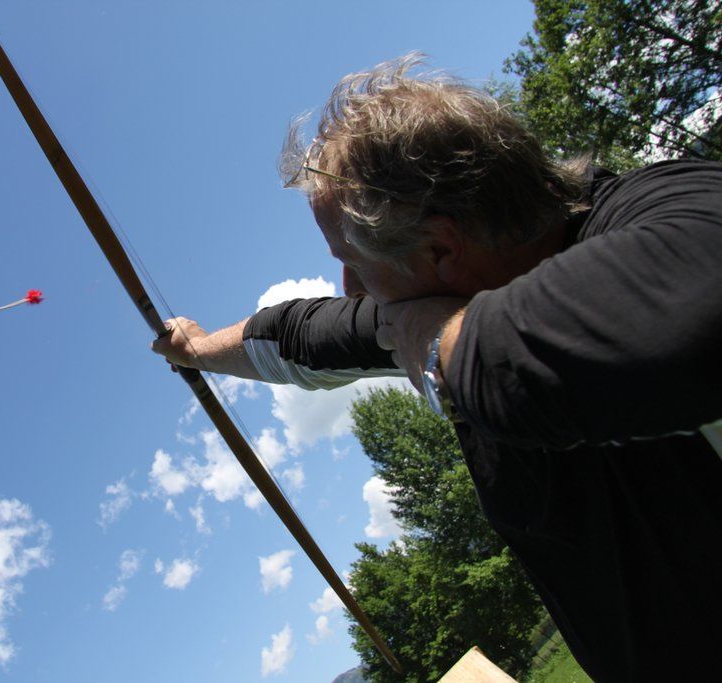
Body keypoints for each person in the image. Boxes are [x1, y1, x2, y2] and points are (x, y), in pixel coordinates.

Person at [152, 54, 722, 681]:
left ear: (441, 247)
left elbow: (649, 328)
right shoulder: (426, 297)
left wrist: (431, 345)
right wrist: (197, 349)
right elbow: (297, 334)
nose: (349, 289)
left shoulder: (679, 210)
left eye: (352, 261)